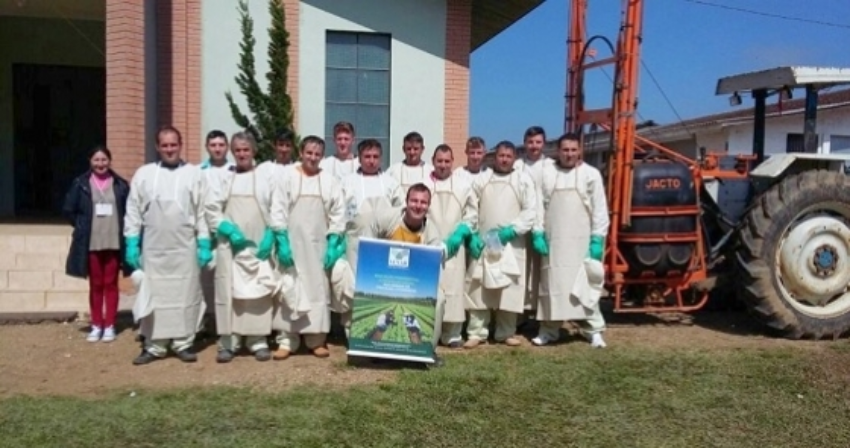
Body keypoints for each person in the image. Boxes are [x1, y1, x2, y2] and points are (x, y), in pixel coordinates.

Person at [124, 125, 211, 365]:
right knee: (155, 296)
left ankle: (183, 343)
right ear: (157, 147)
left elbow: (202, 211)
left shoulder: (194, 174)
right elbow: (133, 209)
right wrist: (131, 241)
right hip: (154, 248)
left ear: (180, 145)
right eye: (165, 145)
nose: (169, 149)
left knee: (185, 294)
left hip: (185, 247)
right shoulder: (144, 174)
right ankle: (155, 346)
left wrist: (204, 241)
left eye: (173, 144)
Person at [205, 132, 280, 363]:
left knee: (259, 294)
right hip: (231, 248)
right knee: (230, 294)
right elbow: (211, 208)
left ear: (253, 151)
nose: (242, 154)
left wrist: (271, 233)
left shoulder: (265, 178)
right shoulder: (224, 179)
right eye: (237, 150)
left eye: (246, 149)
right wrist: (226, 228)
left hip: (259, 248)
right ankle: (229, 342)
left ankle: (258, 340)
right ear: (232, 152)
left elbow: (277, 207)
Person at [269, 135, 346, 360]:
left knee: (317, 290)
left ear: (322, 156)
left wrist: (334, 242)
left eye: (317, 154)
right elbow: (278, 209)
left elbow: (338, 212)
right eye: (309, 153)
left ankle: (316, 340)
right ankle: (286, 340)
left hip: (318, 248)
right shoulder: (288, 178)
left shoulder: (329, 181)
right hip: (292, 246)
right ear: (301, 153)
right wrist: (281, 240)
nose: (312, 157)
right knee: (289, 288)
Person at [533, 133, 610, 348]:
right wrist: (537, 232)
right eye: (565, 150)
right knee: (552, 286)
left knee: (585, 287)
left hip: (582, 242)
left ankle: (593, 331)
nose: (569, 154)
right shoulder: (547, 173)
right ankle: (549, 331)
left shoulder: (591, 174)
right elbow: (538, 205)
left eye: (573, 150)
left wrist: (597, 239)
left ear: (580, 151)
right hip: (554, 241)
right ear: (558, 151)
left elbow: (600, 209)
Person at [464, 141, 537, 349]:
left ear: (514, 158)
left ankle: (506, 332)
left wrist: (512, 230)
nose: (504, 159)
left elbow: (530, 210)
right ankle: (477, 332)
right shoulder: (482, 179)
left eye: (508, 156)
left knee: (510, 288)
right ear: (494, 157)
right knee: (479, 287)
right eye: (501, 155)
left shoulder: (522, 180)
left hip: (511, 244)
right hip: (485, 242)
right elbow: (471, 207)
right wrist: (473, 233)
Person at [363, 183, 447, 364]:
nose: (418, 206)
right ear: (406, 202)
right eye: (414, 201)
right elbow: (368, 241)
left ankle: (426, 351)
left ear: (428, 206)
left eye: (423, 202)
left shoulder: (432, 232)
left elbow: (431, 267)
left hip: (413, 283)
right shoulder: (388, 218)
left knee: (439, 298)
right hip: (385, 279)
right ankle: (375, 349)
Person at [62, 146, 132, 343]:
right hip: (91, 242)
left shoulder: (120, 185)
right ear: (90, 161)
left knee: (111, 284)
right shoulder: (80, 184)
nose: (100, 164)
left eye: (104, 160)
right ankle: (96, 324)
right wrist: (81, 226)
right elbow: (69, 209)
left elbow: (129, 210)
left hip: (113, 242)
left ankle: (109, 324)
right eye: (96, 160)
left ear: (109, 161)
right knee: (96, 285)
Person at [337, 139, 403, 336]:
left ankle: (382, 329)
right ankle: (352, 330)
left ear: (381, 158)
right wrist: (339, 240)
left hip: (384, 244)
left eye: (375, 157)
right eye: (367, 156)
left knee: (382, 284)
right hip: (356, 242)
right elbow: (339, 211)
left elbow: (400, 211)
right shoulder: (347, 182)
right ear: (359, 158)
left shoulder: (391, 183)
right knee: (355, 284)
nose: (371, 161)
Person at [423, 144, 475, 349]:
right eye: (439, 161)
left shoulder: (463, 185)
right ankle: (429, 330)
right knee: (431, 286)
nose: (443, 165)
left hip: (455, 246)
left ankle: (452, 333)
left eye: (447, 161)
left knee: (454, 286)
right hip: (429, 243)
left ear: (452, 162)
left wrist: (462, 231)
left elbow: (472, 213)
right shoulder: (424, 183)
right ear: (433, 161)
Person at [514, 126, 552, 320]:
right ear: (524, 143)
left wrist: (540, 228)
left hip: (544, 227)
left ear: (543, 143)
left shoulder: (551, 167)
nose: (534, 146)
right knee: (521, 269)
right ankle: (519, 313)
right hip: (521, 227)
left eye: (538, 142)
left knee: (542, 271)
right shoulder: (517, 166)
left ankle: (541, 313)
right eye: (530, 142)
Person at [199, 130, 233, 334]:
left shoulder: (235, 170)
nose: (217, 149)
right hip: (205, 234)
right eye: (213, 145)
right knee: (204, 282)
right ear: (207, 147)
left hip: (229, 234)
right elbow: (198, 207)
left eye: (221, 145)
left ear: (227, 147)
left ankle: (226, 324)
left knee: (226, 281)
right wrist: (203, 239)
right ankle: (205, 323)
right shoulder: (199, 172)